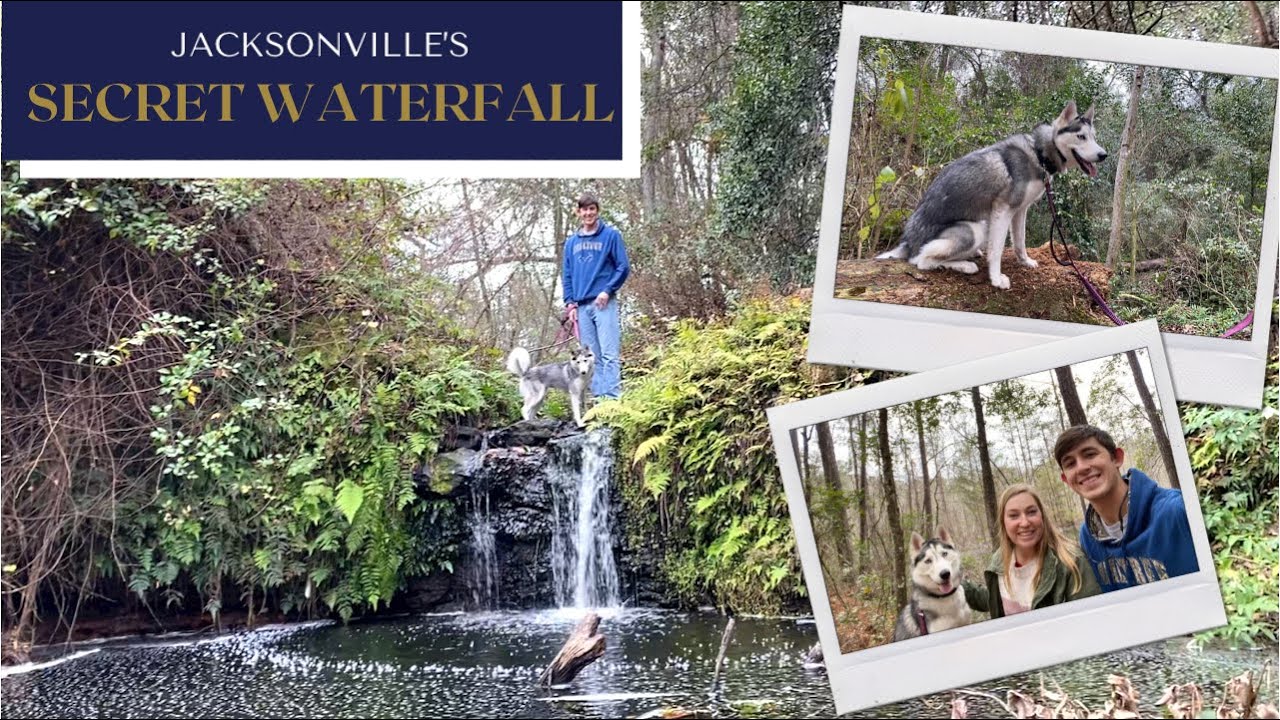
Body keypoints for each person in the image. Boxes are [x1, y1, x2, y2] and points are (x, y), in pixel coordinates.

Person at [1054, 424, 1198, 591]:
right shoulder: (1087, 537)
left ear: (1117, 458)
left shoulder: (1179, 510)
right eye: (1071, 463)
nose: (1082, 467)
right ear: (1066, 480)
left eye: (1090, 454)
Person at [965, 484, 1100, 619]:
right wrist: (954, 584)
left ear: (1042, 515)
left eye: (1031, 512)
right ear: (1003, 522)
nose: (1024, 523)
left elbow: (1091, 620)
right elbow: (993, 600)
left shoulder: (1071, 562)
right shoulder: (1000, 560)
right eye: (1014, 516)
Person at [562, 192, 629, 400]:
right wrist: (570, 304)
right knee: (591, 357)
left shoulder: (611, 236)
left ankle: (613, 398)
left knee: (609, 353)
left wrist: (607, 290)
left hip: (603, 303)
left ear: (597, 211)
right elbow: (567, 274)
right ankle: (599, 399)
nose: (588, 213)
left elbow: (623, 267)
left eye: (592, 209)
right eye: (584, 209)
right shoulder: (571, 243)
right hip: (581, 307)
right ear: (578, 212)